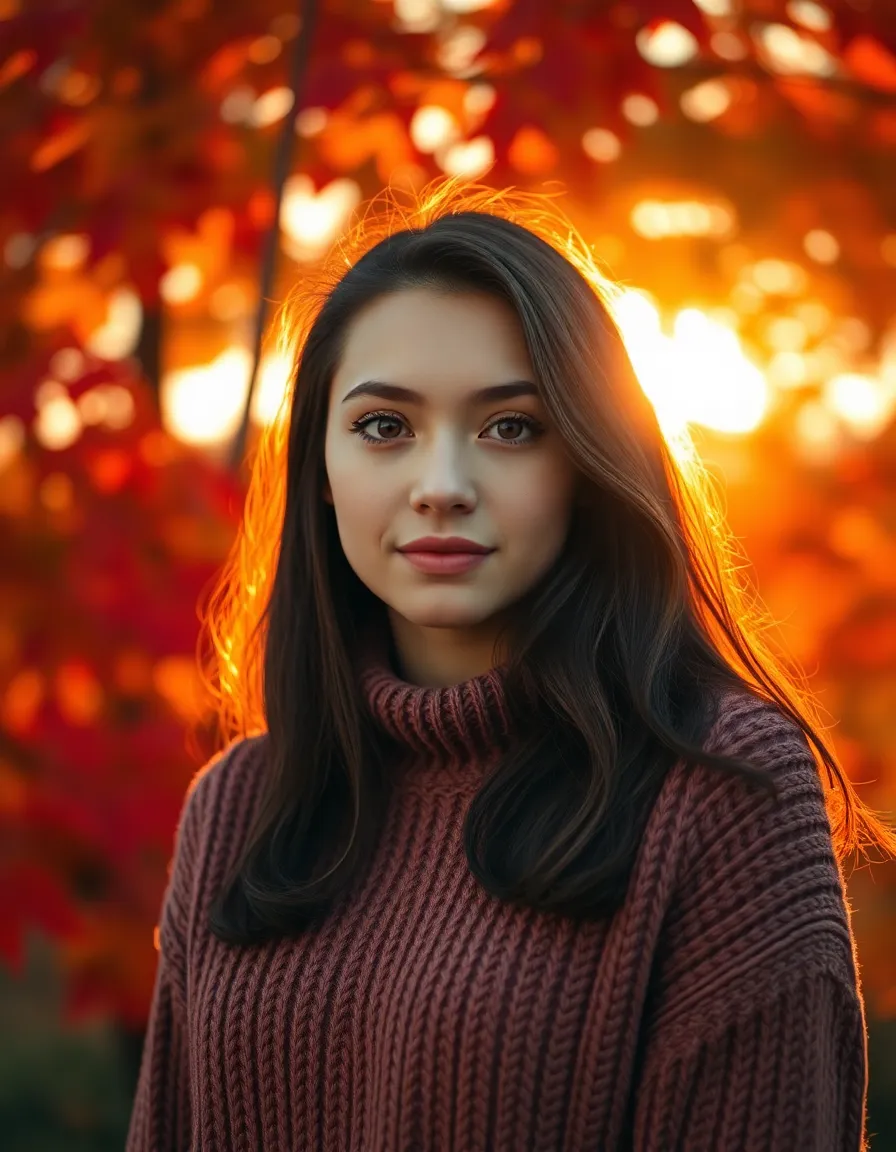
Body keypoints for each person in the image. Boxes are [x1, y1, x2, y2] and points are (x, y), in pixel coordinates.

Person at [126, 178, 890, 1151]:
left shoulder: (716, 793)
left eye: (510, 427)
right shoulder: (238, 807)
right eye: (382, 427)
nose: (441, 486)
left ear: (586, 456)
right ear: (316, 470)